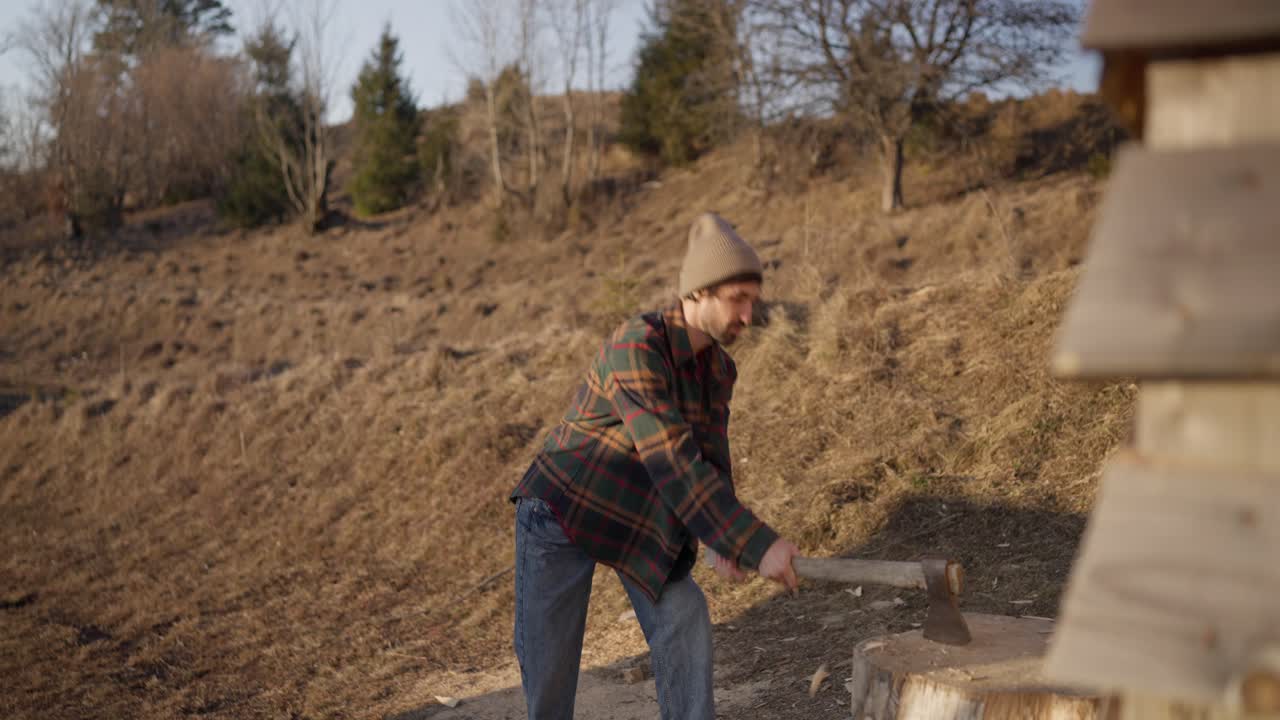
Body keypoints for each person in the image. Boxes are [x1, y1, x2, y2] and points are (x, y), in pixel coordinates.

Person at [510, 212, 801, 720]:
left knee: (685, 617)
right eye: (738, 299)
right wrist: (757, 542)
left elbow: (709, 459)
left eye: (754, 300)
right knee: (551, 680)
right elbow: (673, 463)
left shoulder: (718, 368)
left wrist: (723, 540)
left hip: (633, 520)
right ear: (697, 295)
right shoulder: (637, 347)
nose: (749, 316)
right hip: (561, 510)